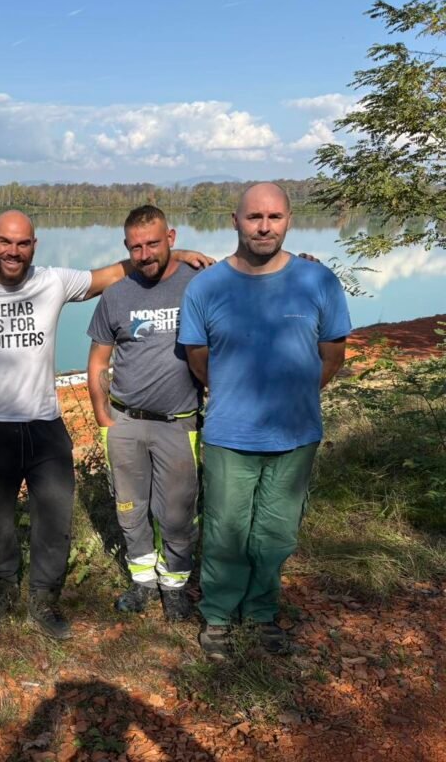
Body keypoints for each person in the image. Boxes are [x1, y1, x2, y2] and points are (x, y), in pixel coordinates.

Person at [0, 210, 213, 639]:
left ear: (35, 245)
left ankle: (44, 597)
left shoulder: (52, 282)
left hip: (44, 424)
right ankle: (3, 586)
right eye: (5, 242)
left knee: (54, 518)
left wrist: (173, 253)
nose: (13, 251)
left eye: (23, 243)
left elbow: (112, 273)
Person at [178, 182, 351, 659]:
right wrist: (238, 396)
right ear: (235, 221)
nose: (264, 226)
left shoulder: (317, 282)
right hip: (230, 435)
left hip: (295, 434)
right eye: (254, 217)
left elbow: (332, 354)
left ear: (289, 220)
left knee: (276, 532)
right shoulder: (207, 287)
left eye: (274, 217)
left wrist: (292, 395)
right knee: (225, 529)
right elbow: (198, 357)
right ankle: (218, 616)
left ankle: (260, 611)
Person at [86, 205, 203, 623]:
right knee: (130, 510)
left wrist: (303, 265)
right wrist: (103, 416)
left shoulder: (199, 282)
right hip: (125, 421)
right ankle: (142, 582)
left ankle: (173, 587)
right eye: (136, 247)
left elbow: (250, 275)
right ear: (126, 248)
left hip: (178, 421)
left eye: (153, 243)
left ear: (171, 237)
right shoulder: (117, 294)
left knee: (176, 513)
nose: (145, 254)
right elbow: (99, 358)